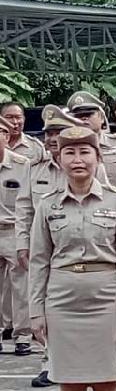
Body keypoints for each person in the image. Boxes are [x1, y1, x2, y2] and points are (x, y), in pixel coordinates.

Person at [27, 125, 116, 391]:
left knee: (107, 380)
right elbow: (39, 259)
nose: (77, 160)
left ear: (97, 157)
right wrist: (36, 310)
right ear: (59, 158)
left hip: (107, 298)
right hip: (63, 299)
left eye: (85, 152)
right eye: (69, 153)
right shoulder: (48, 205)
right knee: (69, 382)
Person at [17, 106, 104, 389]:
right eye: (50, 133)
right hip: (49, 246)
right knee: (47, 305)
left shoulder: (92, 166)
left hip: (88, 250)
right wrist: (22, 243)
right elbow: (24, 208)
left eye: (59, 132)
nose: (53, 138)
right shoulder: (34, 168)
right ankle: (49, 361)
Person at [0, 117, 32, 356]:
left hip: (13, 229)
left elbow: (27, 202)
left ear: (7, 136)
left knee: (21, 287)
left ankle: (22, 335)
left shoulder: (22, 165)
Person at [66, 90, 116, 191]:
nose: (84, 118)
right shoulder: (67, 150)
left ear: (102, 117)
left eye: (89, 114)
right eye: (79, 116)